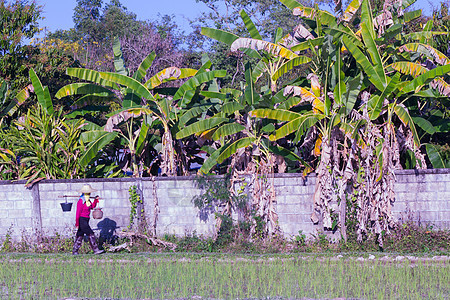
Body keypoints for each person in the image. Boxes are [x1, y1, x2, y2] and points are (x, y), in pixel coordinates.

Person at [72, 184, 105, 255]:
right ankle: (96, 250)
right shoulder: (81, 201)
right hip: (82, 220)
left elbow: (92, 206)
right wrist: (77, 223)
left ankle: (75, 251)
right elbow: (78, 213)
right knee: (91, 233)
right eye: (87, 193)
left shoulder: (88, 201)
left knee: (80, 235)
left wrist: (96, 200)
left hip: (86, 220)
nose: (89, 194)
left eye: (89, 193)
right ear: (84, 193)